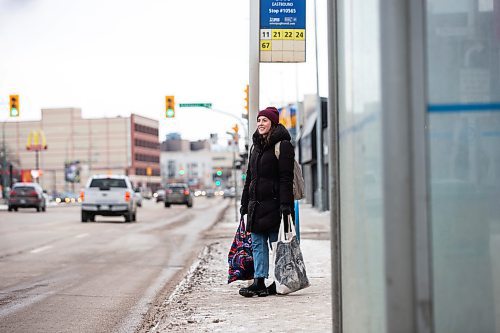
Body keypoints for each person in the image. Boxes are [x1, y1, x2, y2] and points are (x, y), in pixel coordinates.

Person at [239, 106, 295, 297]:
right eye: (259, 120)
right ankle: (259, 281)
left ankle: (280, 281)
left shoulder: (283, 145)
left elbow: (286, 178)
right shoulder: (255, 146)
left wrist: (286, 205)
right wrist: (244, 202)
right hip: (256, 205)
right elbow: (250, 177)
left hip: (275, 205)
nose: (260, 124)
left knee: (277, 245)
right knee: (257, 244)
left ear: (273, 123)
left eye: (265, 120)